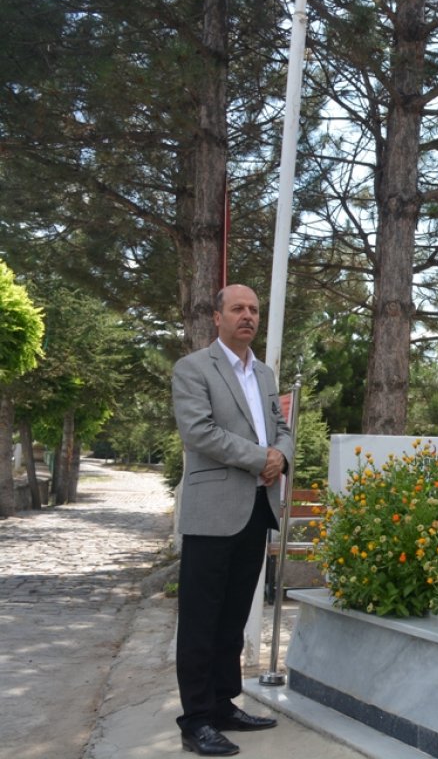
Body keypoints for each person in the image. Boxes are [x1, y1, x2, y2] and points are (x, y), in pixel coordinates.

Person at [172, 284, 294, 756]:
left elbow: (281, 428)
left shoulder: (263, 373)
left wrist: (281, 456)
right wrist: (261, 458)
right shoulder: (193, 368)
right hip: (212, 512)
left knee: (232, 617)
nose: (248, 316)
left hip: (257, 507)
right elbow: (199, 432)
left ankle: (223, 705)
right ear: (217, 317)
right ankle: (196, 720)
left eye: (254, 310)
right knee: (201, 620)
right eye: (238, 308)